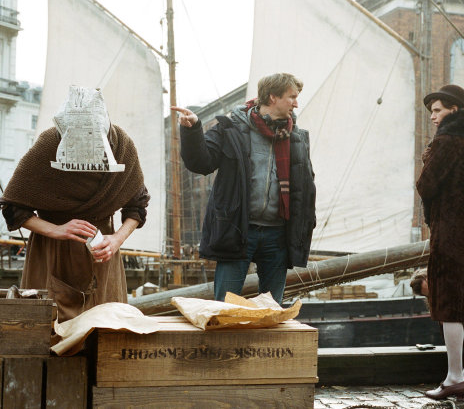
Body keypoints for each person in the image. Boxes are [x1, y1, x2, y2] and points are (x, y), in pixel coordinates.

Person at [0, 86, 150, 322]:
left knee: (105, 330)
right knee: (46, 331)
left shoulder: (122, 146)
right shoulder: (49, 143)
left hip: (103, 254)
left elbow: (137, 206)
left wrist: (117, 240)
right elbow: (13, 207)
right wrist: (57, 230)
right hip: (51, 252)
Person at [172, 73, 316, 304]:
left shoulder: (296, 138)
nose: (296, 103)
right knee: (225, 306)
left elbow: (307, 187)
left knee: (272, 309)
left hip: (278, 235)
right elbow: (201, 163)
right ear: (273, 97)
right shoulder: (231, 130)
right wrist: (193, 130)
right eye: (292, 97)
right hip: (237, 230)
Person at [416, 84, 464, 400]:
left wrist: (427, 158)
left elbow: (426, 185)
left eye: (438, 110)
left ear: (454, 111)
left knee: (449, 307)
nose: (433, 116)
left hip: (448, 236)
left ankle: (452, 377)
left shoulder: (445, 143)